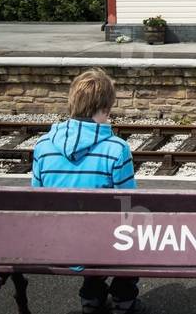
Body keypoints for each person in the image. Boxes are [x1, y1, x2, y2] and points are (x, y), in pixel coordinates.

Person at [32, 67, 141, 314]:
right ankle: (124, 300)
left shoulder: (43, 145)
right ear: (106, 107)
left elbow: (37, 199)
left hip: (57, 243)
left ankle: (92, 298)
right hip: (103, 245)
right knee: (131, 229)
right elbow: (128, 205)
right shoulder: (117, 149)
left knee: (85, 226)